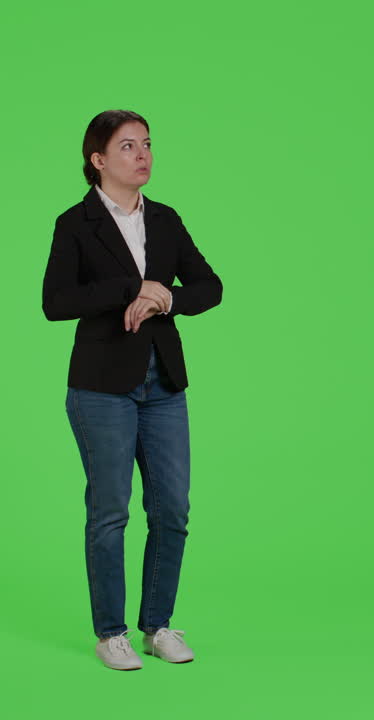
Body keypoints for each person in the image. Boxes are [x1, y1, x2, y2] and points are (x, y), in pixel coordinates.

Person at [42, 110, 223, 670]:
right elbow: (56, 303)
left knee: (172, 508)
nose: (142, 155)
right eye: (127, 147)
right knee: (110, 511)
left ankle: (158, 624)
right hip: (101, 388)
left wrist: (164, 297)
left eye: (146, 144)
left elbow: (209, 286)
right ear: (98, 161)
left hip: (163, 382)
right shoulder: (75, 223)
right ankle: (111, 632)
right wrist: (133, 286)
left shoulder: (165, 219)